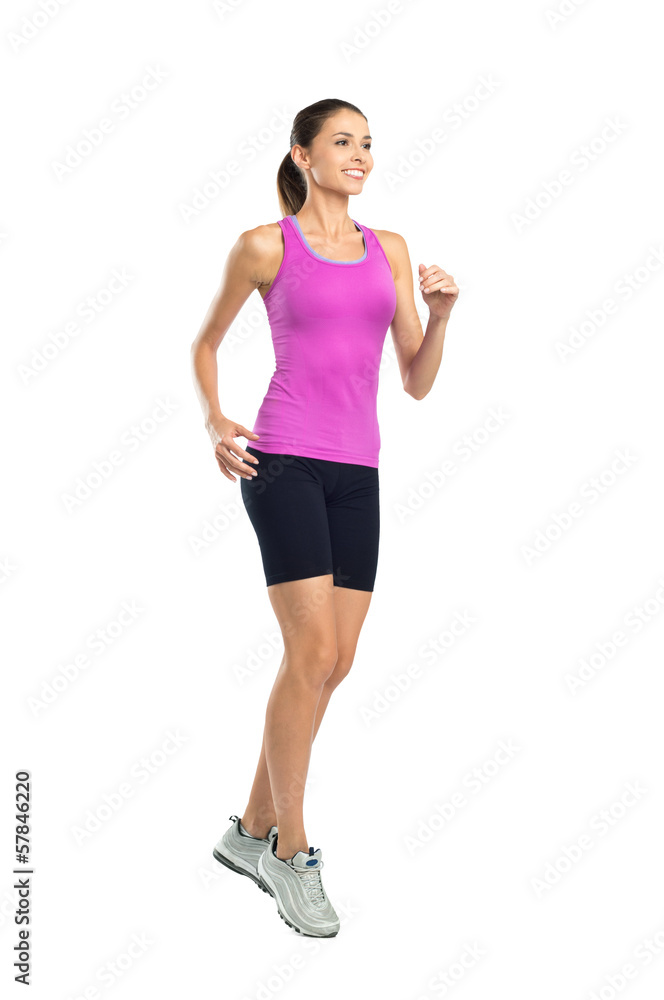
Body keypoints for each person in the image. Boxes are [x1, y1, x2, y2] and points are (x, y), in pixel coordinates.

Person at [190, 98, 459, 937]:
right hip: (284, 463)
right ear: (302, 156)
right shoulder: (265, 246)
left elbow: (415, 381)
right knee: (309, 652)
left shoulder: (391, 250)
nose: (360, 155)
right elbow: (205, 342)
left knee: (335, 661)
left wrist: (441, 316)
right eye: (342, 142)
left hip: (357, 470)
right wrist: (215, 419)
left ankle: (248, 830)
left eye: (367, 143)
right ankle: (290, 851)